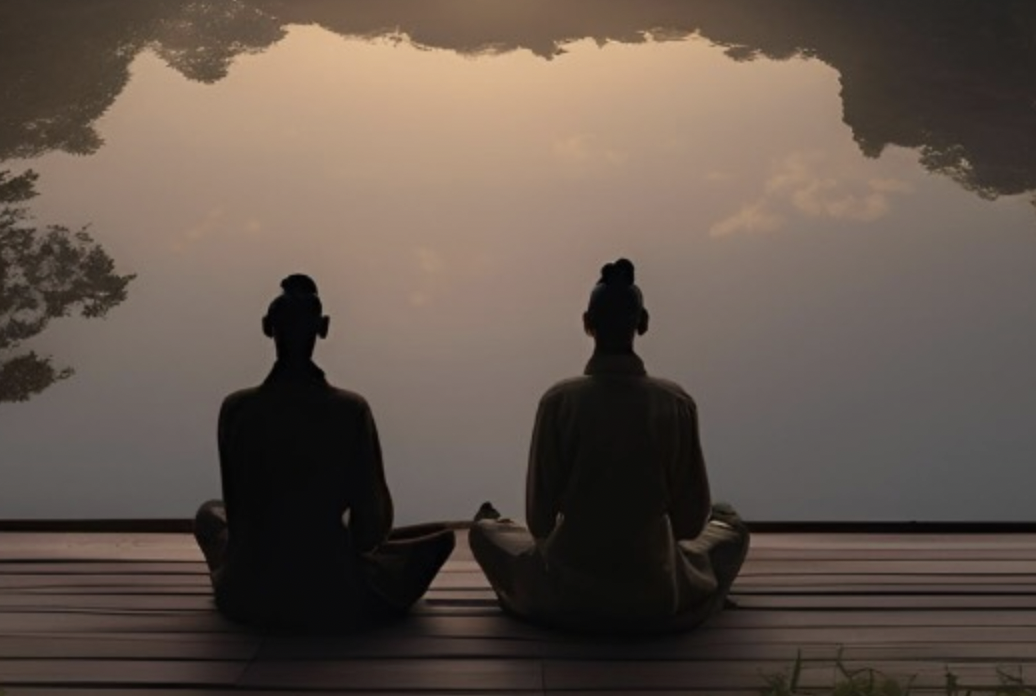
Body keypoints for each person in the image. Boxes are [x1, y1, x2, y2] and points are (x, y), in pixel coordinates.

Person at [469, 259, 749, 633]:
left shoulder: (559, 401)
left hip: (566, 594)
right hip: (655, 592)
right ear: (643, 322)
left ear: (587, 323)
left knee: (486, 531)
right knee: (729, 530)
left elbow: (538, 521)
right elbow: (689, 524)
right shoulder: (675, 402)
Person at [194, 274, 455, 629]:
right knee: (440, 538)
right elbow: (371, 528)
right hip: (331, 590)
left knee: (210, 514)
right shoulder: (350, 410)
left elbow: (238, 515)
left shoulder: (237, 408)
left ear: (267, 327)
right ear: (324, 328)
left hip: (247, 590)